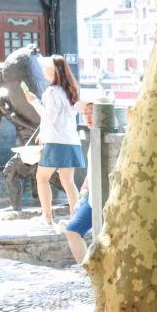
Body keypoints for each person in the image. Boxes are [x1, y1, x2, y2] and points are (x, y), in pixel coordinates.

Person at [24, 55, 84, 226]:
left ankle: (47, 217)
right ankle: (75, 218)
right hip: (71, 141)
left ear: (53, 71)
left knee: (42, 178)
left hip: (56, 142)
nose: (43, 71)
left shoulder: (51, 92)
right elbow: (61, 119)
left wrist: (34, 102)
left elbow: (50, 117)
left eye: (45, 68)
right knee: (68, 182)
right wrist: (43, 132)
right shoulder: (70, 90)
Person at [61, 95, 97, 264]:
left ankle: (88, 270)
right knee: (72, 230)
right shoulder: (94, 137)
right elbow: (92, 171)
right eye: (85, 113)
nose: (88, 117)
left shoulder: (109, 136)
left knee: (73, 230)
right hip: (92, 197)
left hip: (104, 198)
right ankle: (86, 269)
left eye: (92, 112)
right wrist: (83, 192)